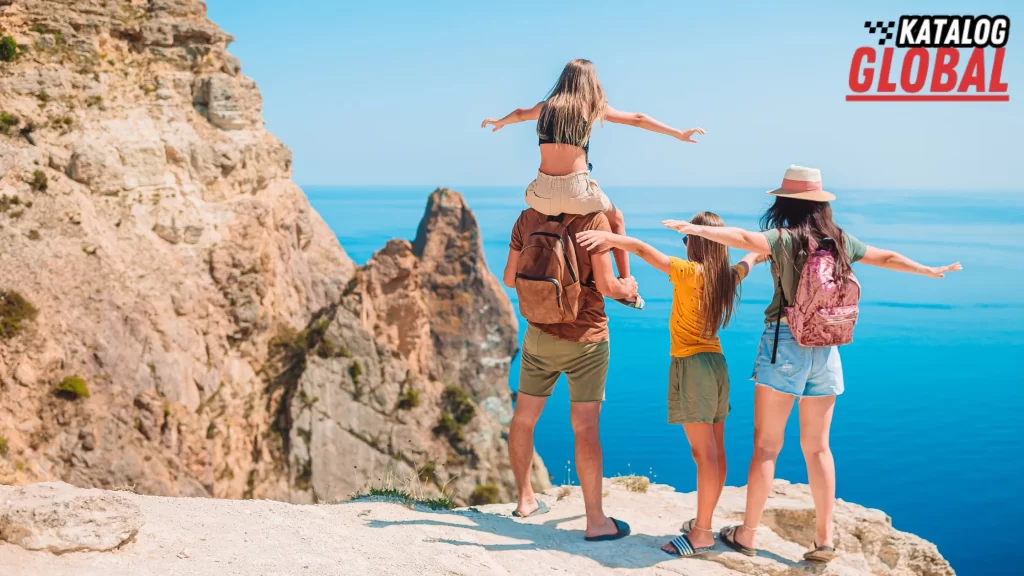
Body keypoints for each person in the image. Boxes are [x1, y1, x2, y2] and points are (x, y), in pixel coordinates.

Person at [663, 166, 963, 563]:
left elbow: (742, 238)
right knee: (818, 448)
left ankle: (747, 534)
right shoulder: (838, 240)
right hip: (828, 347)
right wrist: (927, 270)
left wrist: (698, 230)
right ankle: (824, 541)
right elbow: (885, 257)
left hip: (784, 344)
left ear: (783, 203)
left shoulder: (784, 238)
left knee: (767, 447)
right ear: (821, 204)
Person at [576, 213, 761, 557]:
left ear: (697, 241)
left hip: (692, 366)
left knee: (702, 455)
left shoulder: (691, 272)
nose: (684, 245)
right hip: (717, 366)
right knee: (716, 452)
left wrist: (611, 240)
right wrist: (757, 253)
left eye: (687, 239)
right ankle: (702, 522)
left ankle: (702, 533)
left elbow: (646, 252)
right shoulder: (726, 277)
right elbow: (747, 262)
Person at [483, 58, 705, 310]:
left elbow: (521, 114)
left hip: (541, 192)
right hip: (577, 191)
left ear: (564, 80)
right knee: (617, 218)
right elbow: (637, 118)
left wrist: (500, 121)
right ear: (590, 82)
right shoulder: (590, 107)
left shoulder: (545, 107)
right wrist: (677, 133)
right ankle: (626, 285)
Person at [503, 207, 637, 541]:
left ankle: (525, 499)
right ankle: (595, 522)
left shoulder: (528, 218)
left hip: (539, 335)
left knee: (523, 419)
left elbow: (509, 279)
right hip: (586, 340)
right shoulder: (593, 221)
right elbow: (608, 286)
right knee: (585, 427)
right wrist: (628, 287)